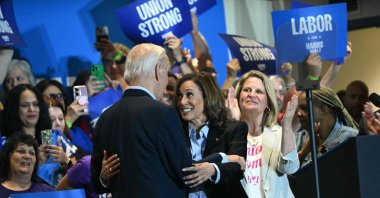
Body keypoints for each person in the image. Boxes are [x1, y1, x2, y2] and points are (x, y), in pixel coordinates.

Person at [91, 43, 192, 197]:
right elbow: (184, 171)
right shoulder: (162, 113)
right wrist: (220, 162)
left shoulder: (106, 117)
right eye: (166, 72)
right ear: (158, 71)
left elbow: (98, 183)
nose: (166, 82)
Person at [174, 72, 248, 198]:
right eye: (180, 96)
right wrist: (221, 158)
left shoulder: (233, 129)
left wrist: (213, 169)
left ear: (207, 96)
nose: (182, 101)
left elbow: (237, 169)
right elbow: (177, 169)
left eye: (189, 94)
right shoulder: (174, 132)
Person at [233, 70, 299, 197]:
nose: (251, 95)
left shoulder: (279, 132)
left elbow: (290, 168)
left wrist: (286, 127)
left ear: (268, 101)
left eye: (259, 91)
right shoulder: (228, 134)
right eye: (247, 90)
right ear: (238, 97)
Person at [296, 87, 358, 166]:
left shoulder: (349, 138)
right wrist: (304, 152)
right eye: (298, 108)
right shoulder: (300, 137)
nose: (298, 113)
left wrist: (318, 152)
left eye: (304, 108)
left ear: (324, 110)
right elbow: (288, 176)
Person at [0, 132, 54, 197]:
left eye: (31, 153)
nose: (27, 156)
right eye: (21, 151)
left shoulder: (48, 192)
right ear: (8, 156)